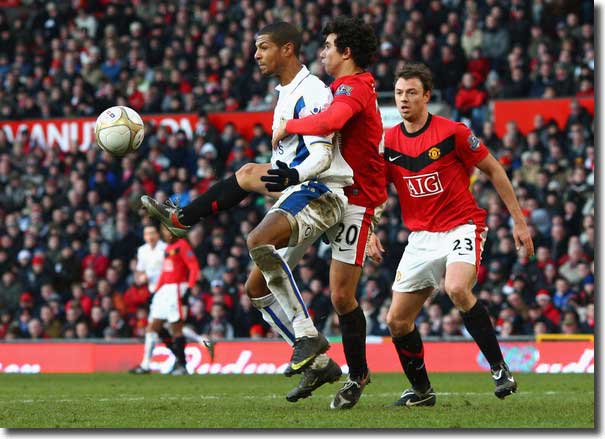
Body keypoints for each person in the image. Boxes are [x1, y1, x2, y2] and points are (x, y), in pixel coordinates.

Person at [141, 22, 351, 386]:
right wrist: (281, 180)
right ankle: (317, 367)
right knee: (254, 287)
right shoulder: (285, 93)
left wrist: (292, 178)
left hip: (321, 190)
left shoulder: (312, 90)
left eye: (264, 47)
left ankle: (307, 334)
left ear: (287, 49)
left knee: (257, 239)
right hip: (296, 191)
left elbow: (321, 156)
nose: (256, 55)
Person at [369, 62, 534, 407]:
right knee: (397, 321)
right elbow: (376, 193)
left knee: (457, 287)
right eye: (399, 93)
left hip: (462, 226)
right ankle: (422, 392)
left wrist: (519, 221)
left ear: (427, 96)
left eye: (411, 93)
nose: (403, 100)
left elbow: (493, 169)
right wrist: (370, 230)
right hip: (421, 238)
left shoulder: (453, 132)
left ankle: (499, 368)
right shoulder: (389, 142)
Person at [271, 16, 386, 409]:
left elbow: (334, 121)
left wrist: (291, 126)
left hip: (354, 200)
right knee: (274, 266)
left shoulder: (355, 87)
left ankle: (356, 377)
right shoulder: (337, 87)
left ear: (346, 52)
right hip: (328, 191)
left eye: (329, 46)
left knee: (341, 296)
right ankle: (314, 356)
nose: (322, 53)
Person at [130, 224, 200, 375]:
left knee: (176, 329)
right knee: (153, 328)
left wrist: (189, 287)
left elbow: (193, 266)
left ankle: (183, 365)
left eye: (167, 230)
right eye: (164, 230)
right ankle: (177, 357)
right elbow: (164, 272)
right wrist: (155, 291)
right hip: (164, 290)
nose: (166, 233)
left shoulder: (182, 245)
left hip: (176, 289)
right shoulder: (168, 248)